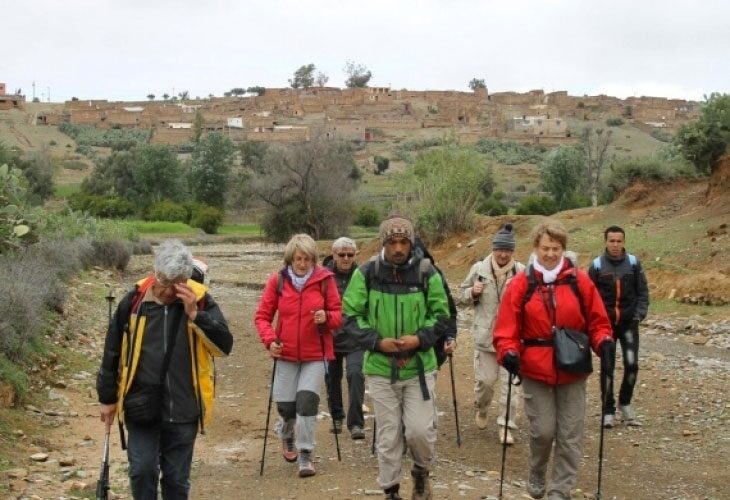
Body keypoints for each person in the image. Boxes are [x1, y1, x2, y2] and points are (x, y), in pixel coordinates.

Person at [96, 239, 233, 499]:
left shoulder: (201, 301)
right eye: (166, 283)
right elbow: (112, 351)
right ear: (155, 272)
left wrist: (196, 315)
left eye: (178, 283)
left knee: (177, 481)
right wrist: (107, 398)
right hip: (141, 405)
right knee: (142, 471)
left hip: (184, 409)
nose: (170, 292)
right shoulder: (133, 302)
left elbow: (224, 346)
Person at [493, 221, 613, 500]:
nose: (550, 254)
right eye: (545, 248)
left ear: (563, 249)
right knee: (543, 432)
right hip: (535, 368)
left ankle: (560, 491)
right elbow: (505, 330)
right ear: (535, 247)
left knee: (570, 435)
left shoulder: (579, 281)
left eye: (556, 248)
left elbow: (598, 322)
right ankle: (537, 470)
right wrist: (508, 352)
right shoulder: (521, 284)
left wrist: (604, 342)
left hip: (573, 367)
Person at [343, 216, 451, 500]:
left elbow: (441, 315)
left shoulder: (427, 272)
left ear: (412, 242)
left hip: (419, 367)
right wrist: (377, 342)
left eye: (404, 242)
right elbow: (351, 316)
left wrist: (420, 339)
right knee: (388, 436)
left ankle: (420, 472)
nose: (399, 248)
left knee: (419, 432)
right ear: (384, 243)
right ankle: (390, 490)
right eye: (393, 242)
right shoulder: (366, 273)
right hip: (380, 368)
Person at [254, 233, 342, 478]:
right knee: (286, 407)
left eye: (307, 259)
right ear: (290, 259)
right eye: (298, 259)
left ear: (314, 260)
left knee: (306, 403)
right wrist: (270, 341)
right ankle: (286, 432)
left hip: (316, 354)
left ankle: (306, 453)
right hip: (286, 354)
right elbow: (262, 316)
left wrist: (327, 317)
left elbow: (338, 315)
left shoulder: (325, 281)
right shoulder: (278, 282)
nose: (303, 264)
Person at [459, 223, 525, 444]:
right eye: (500, 249)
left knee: (510, 387)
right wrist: (472, 292)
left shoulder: (521, 272)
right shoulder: (479, 269)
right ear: (493, 248)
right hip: (485, 337)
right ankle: (482, 408)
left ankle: (506, 425)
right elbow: (460, 295)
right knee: (486, 383)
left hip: (512, 339)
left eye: (508, 250)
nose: (503, 254)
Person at [588, 225, 649, 428]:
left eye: (619, 241)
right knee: (607, 367)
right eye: (611, 241)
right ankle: (607, 410)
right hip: (605, 326)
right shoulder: (596, 266)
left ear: (624, 242)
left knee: (632, 365)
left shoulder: (633, 263)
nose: (615, 245)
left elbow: (643, 291)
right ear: (605, 242)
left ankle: (625, 402)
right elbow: (589, 297)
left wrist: (639, 315)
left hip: (629, 323)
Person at [322, 237, 366, 440]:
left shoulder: (363, 276)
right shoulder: (323, 277)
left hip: (356, 337)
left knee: (355, 375)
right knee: (332, 378)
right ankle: (336, 416)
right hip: (330, 336)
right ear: (334, 255)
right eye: (342, 254)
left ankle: (356, 423)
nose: (346, 258)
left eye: (350, 254)